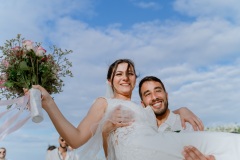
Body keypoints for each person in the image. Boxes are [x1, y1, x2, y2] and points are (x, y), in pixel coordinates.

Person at [32, 59, 240, 159]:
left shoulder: (142, 108)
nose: (125, 77)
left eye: (130, 73)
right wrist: (50, 104)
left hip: (162, 148)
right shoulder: (104, 103)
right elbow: (76, 138)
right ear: (110, 80)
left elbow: (161, 116)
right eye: (119, 73)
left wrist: (181, 110)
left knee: (227, 145)